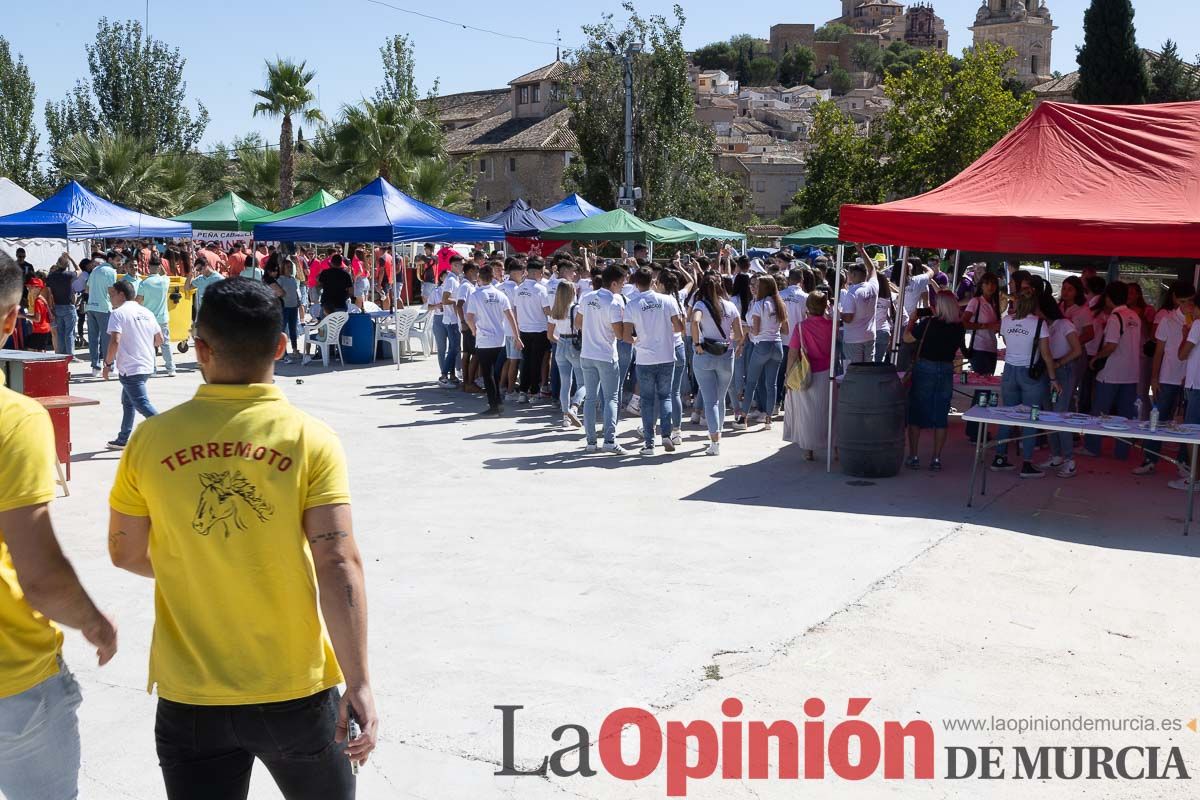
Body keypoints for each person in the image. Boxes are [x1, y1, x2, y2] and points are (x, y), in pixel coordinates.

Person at [107, 278, 377, 799]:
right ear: (280, 346)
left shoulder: (151, 438)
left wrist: (199, 561)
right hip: (295, 691)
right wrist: (360, 681)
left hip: (190, 697)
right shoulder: (310, 438)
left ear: (201, 349)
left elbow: (124, 552)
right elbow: (338, 561)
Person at [0, 257, 118, 800]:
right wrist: (92, 621)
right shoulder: (16, 419)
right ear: (10, 321)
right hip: (13, 684)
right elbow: (42, 577)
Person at [991, 293, 1057, 478]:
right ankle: (1027, 462)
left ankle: (999, 456)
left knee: (1007, 414)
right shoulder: (1039, 323)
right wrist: (1053, 379)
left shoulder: (1006, 320)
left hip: (1010, 370)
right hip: (1030, 373)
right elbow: (1046, 354)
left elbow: (1005, 342)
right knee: (1030, 416)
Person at [1135, 281, 1194, 478]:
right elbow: (1158, 352)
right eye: (1183, 301)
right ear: (1176, 299)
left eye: (1190, 301)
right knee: (1158, 420)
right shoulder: (1167, 320)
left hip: (1191, 380)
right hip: (1169, 377)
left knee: (1187, 423)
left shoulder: (1196, 320)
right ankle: (1150, 459)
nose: (1187, 305)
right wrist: (1154, 377)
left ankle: (1184, 463)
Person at [624, 268, 684, 454]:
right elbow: (679, 327)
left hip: (644, 358)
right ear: (653, 280)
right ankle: (667, 435)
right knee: (665, 396)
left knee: (648, 400)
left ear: (636, 283)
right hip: (666, 355)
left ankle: (649, 444)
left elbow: (626, 336)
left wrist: (638, 341)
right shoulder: (668, 300)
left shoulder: (632, 304)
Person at [902, 290, 965, 470]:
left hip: (925, 368)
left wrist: (912, 320)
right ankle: (936, 458)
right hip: (945, 368)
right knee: (941, 414)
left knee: (916, 413)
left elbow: (907, 338)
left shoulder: (928, 323)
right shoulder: (959, 327)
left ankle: (914, 456)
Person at [1083, 281, 1142, 460]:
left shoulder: (1115, 318)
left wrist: (1096, 358)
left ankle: (1092, 447)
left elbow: (1111, 346)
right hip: (1131, 372)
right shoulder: (1135, 316)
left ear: (1108, 298)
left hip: (1111, 371)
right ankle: (1122, 451)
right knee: (1125, 415)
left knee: (1100, 411)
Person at [690, 272, 744, 456]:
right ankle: (717, 436)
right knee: (719, 399)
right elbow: (739, 334)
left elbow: (694, 322)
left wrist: (697, 343)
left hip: (705, 354)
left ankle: (715, 441)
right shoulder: (730, 306)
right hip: (726, 355)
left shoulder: (700, 305)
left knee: (710, 400)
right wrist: (732, 342)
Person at [576, 264, 628, 454]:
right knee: (611, 398)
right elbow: (620, 334)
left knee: (590, 399)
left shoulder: (587, 297)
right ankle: (609, 440)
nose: (624, 286)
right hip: (606, 355)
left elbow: (578, 322)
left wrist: (592, 330)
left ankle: (590, 442)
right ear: (614, 283)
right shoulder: (614, 302)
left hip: (587, 353)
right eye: (622, 282)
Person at [103, 280, 161, 450]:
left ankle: (168, 430)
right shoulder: (146, 312)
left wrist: (107, 363)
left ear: (121, 294)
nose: (110, 297)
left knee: (142, 404)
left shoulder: (118, 313)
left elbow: (115, 341)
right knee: (128, 401)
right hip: (146, 364)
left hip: (131, 367)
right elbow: (159, 340)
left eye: (112, 294)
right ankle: (123, 439)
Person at [782, 291, 834, 461]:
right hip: (828, 372)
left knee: (807, 414)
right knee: (828, 411)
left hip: (805, 372)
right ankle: (834, 446)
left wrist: (788, 374)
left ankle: (808, 450)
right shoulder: (832, 325)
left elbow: (792, 353)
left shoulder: (801, 327)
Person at [466, 265, 523, 416]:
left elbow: (469, 317)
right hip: (499, 339)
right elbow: (511, 317)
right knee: (495, 372)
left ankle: (494, 405)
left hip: (484, 339)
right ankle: (497, 402)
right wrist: (517, 337)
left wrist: (473, 330)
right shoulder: (500, 295)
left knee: (487, 373)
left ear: (479, 277)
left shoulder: (475, 295)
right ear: (493, 277)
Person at [1038, 293, 1083, 478]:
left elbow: (1077, 350)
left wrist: (1059, 363)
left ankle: (1070, 460)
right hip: (1049, 370)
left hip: (1063, 370)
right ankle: (1056, 455)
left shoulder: (1064, 324)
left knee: (1060, 414)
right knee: (1048, 413)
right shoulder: (1044, 326)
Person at [741, 273, 789, 431]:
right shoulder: (780, 303)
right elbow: (786, 330)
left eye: (757, 285)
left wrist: (745, 328)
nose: (754, 287)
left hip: (762, 345)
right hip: (777, 345)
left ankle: (743, 419)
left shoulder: (759, 304)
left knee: (751, 383)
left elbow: (755, 331)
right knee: (772, 384)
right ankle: (769, 419)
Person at [547, 280, 585, 429]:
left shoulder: (555, 310)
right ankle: (574, 407)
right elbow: (582, 328)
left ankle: (565, 417)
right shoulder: (576, 309)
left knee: (565, 383)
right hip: (573, 344)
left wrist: (561, 342)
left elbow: (550, 335)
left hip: (560, 343)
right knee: (584, 383)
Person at [838, 248, 878, 364]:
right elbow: (872, 269)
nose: (847, 276)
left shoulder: (853, 293)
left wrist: (838, 312)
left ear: (854, 274)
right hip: (870, 336)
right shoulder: (873, 286)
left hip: (854, 339)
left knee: (855, 371)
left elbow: (848, 318)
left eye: (849, 273)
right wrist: (862, 250)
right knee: (869, 368)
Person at [136, 259, 175, 376]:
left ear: (149, 267)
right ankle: (171, 368)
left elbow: (138, 301)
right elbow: (165, 274)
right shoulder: (165, 281)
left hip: (148, 319)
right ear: (159, 267)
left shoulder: (143, 283)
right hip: (163, 319)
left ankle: (152, 369)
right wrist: (161, 266)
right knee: (165, 344)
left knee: (149, 345)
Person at [85, 251, 118, 377]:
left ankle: (95, 367)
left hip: (91, 306)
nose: (119, 263)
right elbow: (112, 291)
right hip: (104, 308)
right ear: (110, 260)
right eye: (117, 260)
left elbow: (87, 288)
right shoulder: (111, 272)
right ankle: (109, 367)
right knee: (107, 339)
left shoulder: (95, 270)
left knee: (93, 339)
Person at [962, 272, 1001, 376]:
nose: (990, 286)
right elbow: (963, 323)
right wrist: (987, 326)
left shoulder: (995, 303)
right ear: (981, 285)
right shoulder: (975, 301)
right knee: (981, 383)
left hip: (992, 348)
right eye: (987, 283)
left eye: (993, 284)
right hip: (978, 349)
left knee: (988, 381)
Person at [435, 256, 463, 388]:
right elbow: (445, 300)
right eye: (459, 264)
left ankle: (451, 375)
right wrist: (459, 300)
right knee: (454, 349)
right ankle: (444, 375)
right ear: (453, 265)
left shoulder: (454, 279)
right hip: (451, 320)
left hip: (452, 319)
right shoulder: (451, 280)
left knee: (454, 348)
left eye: (461, 264)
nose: (461, 267)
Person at [45, 253, 79, 358]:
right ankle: (70, 355)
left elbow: (50, 294)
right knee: (69, 332)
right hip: (68, 306)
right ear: (66, 265)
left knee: (60, 332)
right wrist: (71, 258)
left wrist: (51, 308)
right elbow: (79, 270)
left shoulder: (50, 277)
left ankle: (61, 354)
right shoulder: (69, 275)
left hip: (57, 306)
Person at [454, 262, 481, 393]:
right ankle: (469, 382)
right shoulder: (466, 286)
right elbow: (459, 305)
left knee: (467, 353)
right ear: (470, 271)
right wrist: (464, 322)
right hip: (469, 325)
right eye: (476, 271)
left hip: (468, 324)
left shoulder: (468, 285)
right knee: (474, 354)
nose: (477, 274)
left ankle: (467, 382)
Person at [272, 258, 305, 363]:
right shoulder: (280, 279)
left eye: (291, 267)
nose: (290, 269)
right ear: (283, 268)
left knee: (293, 329)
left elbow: (296, 291)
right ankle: (282, 351)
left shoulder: (292, 279)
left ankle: (295, 349)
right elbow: (276, 292)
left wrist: (299, 302)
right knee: (282, 330)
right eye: (288, 267)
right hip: (284, 307)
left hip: (293, 307)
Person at [22, 279, 52, 351]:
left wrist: (23, 315)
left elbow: (37, 319)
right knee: (40, 350)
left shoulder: (38, 301)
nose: (28, 289)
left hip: (40, 330)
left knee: (31, 350)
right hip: (45, 329)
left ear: (38, 288)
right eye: (28, 287)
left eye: (30, 287)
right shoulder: (41, 299)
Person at [873, 273, 896, 365]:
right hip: (884, 331)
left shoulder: (868, 297)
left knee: (868, 362)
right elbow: (900, 293)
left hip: (870, 332)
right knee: (880, 361)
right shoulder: (890, 297)